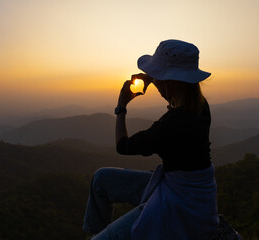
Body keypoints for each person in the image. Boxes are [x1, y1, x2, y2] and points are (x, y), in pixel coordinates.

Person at [82, 39, 219, 240]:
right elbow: (176, 94)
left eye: (158, 79)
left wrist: (121, 106)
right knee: (101, 178)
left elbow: (123, 146)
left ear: (169, 81)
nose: (156, 85)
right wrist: (153, 77)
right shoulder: (199, 105)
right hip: (187, 185)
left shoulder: (171, 124)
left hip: (180, 200)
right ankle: (97, 232)